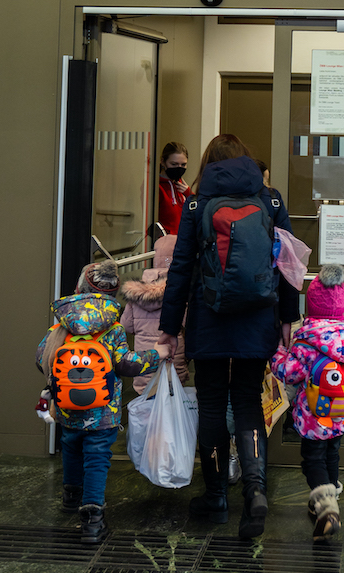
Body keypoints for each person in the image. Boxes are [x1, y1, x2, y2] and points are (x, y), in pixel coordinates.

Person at [158, 134, 301, 539]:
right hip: (259, 318)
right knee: (248, 403)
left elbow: (181, 269)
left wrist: (169, 328)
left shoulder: (197, 203)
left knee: (212, 405)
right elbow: (288, 265)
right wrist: (287, 318)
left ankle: (217, 497)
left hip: (209, 317)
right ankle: (255, 490)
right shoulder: (270, 200)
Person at [36, 259, 170, 543]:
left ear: (79, 287)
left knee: (70, 448)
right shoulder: (113, 328)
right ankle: (93, 520)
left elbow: (41, 358)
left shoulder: (62, 324)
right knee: (97, 459)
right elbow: (126, 364)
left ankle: (71, 498)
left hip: (67, 406)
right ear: (113, 292)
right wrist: (157, 354)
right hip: (103, 411)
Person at [270, 264, 344, 540]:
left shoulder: (307, 340)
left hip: (313, 416)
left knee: (312, 459)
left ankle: (327, 508)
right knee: (332, 454)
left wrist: (277, 352)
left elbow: (287, 373)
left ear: (311, 304)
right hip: (342, 414)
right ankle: (325, 500)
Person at [119, 235, 189, 394]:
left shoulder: (136, 294)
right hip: (172, 363)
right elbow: (188, 324)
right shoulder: (178, 291)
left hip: (144, 364)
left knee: (147, 408)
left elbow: (126, 326)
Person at [156, 142, 191, 235]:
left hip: (183, 241)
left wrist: (189, 193)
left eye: (183, 165)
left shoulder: (182, 186)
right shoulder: (157, 188)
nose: (179, 168)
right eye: (174, 164)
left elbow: (199, 211)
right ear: (163, 162)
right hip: (164, 243)